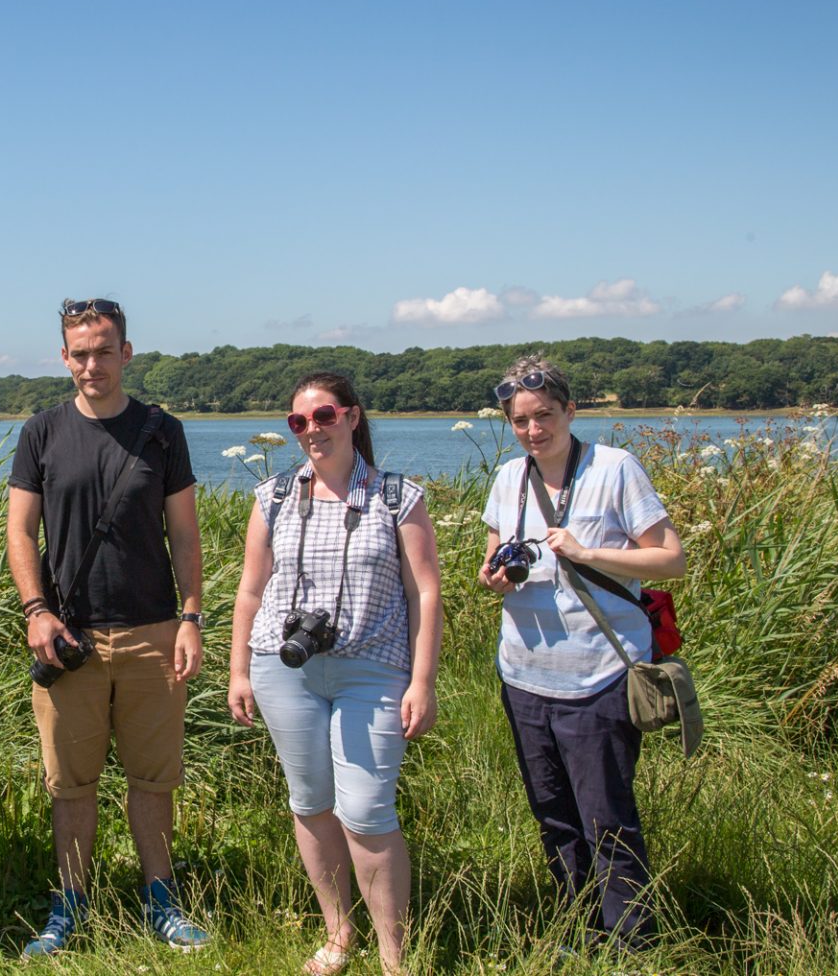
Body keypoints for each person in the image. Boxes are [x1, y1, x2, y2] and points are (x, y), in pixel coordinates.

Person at [6, 298, 210, 956]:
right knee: (71, 783)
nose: (93, 364)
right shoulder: (41, 432)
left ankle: (161, 899)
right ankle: (69, 904)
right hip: (70, 638)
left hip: (153, 631)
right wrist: (36, 612)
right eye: (80, 353)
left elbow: (184, 532)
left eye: (104, 350)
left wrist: (191, 616)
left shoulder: (161, 431)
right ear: (64, 359)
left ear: (126, 352)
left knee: (154, 780)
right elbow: (19, 530)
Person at [227, 372, 443, 976]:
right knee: (312, 803)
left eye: (324, 417)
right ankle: (339, 935)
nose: (312, 431)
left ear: (351, 417)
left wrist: (421, 682)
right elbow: (250, 590)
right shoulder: (271, 496)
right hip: (283, 666)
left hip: (372, 670)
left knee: (369, 811)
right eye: (299, 422)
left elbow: (425, 593)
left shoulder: (399, 497)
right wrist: (238, 669)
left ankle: (394, 956)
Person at [475, 355, 685, 952]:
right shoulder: (508, 479)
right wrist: (495, 576)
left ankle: (632, 941)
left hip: (600, 674)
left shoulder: (616, 470)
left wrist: (588, 553)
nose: (533, 430)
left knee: (607, 816)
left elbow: (671, 559)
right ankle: (579, 927)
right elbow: (493, 560)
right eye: (520, 421)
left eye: (544, 416)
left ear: (570, 411)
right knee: (554, 812)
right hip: (524, 674)